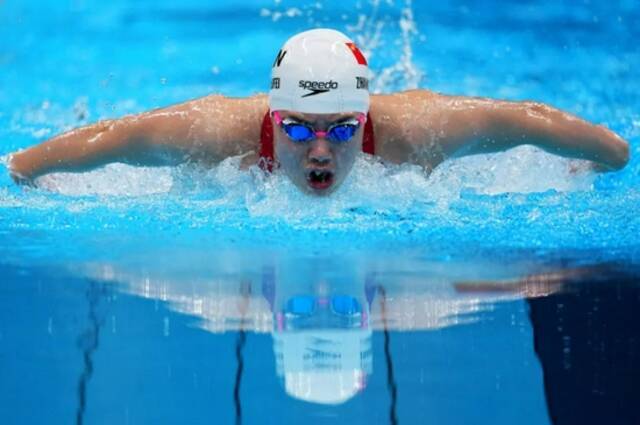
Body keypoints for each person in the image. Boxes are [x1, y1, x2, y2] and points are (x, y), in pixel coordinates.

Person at [7, 29, 630, 195]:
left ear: (366, 118)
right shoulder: (217, 133)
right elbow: (117, 136)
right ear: (273, 118)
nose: (321, 150)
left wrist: (608, 157)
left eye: (342, 129)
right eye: (299, 128)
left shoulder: (419, 129)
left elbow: (527, 116)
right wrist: (25, 168)